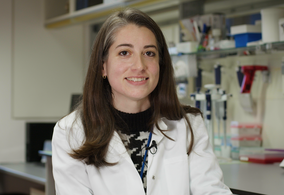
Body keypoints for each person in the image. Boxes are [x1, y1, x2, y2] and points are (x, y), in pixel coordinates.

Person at [52, 8, 233, 195]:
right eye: (124, 53)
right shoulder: (71, 133)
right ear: (102, 66)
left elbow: (211, 190)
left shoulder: (188, 124)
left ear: (160, 65)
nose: (139, 66)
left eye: (149, 53)